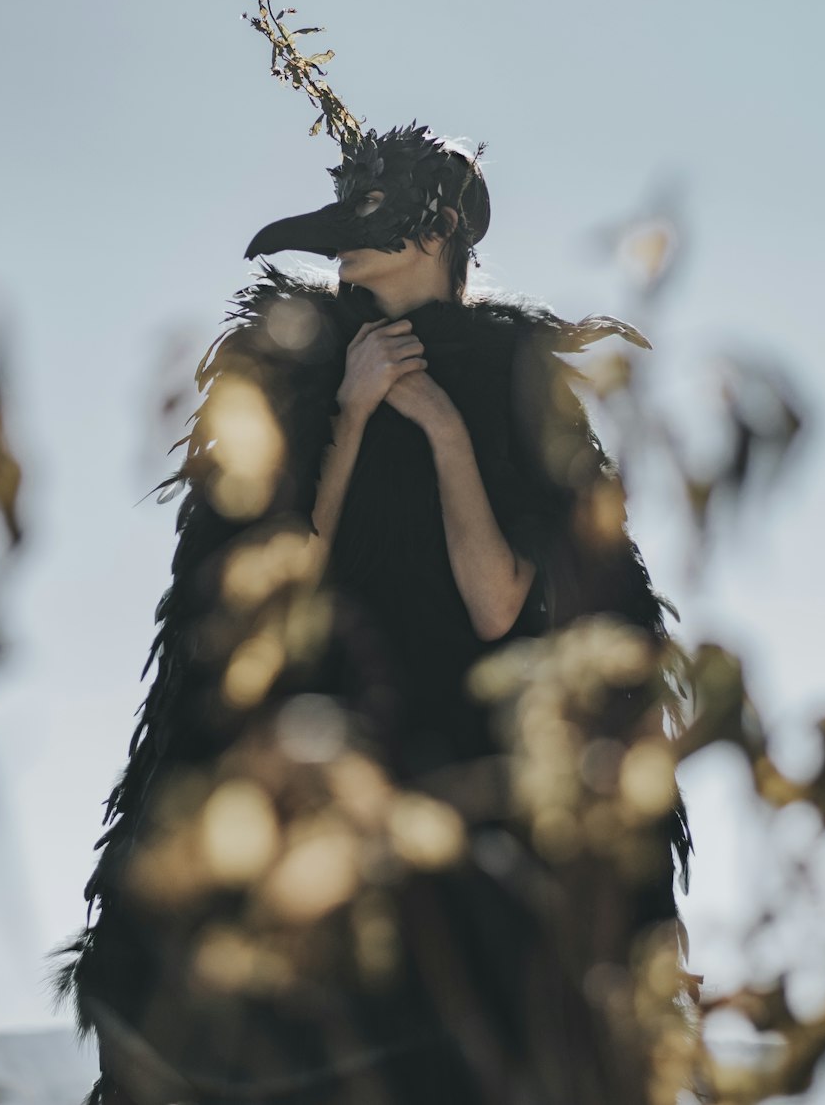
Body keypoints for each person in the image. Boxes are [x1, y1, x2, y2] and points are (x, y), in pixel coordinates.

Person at [57, 121, 690, 1105]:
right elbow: (264, 603)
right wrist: (348, 418)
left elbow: (502, 607)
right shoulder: (288, 371)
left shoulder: (515, 393)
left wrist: (442, 429)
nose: (337, 244)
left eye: (365, 221)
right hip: (306, 787)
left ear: (437, 232)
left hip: (464, 810)